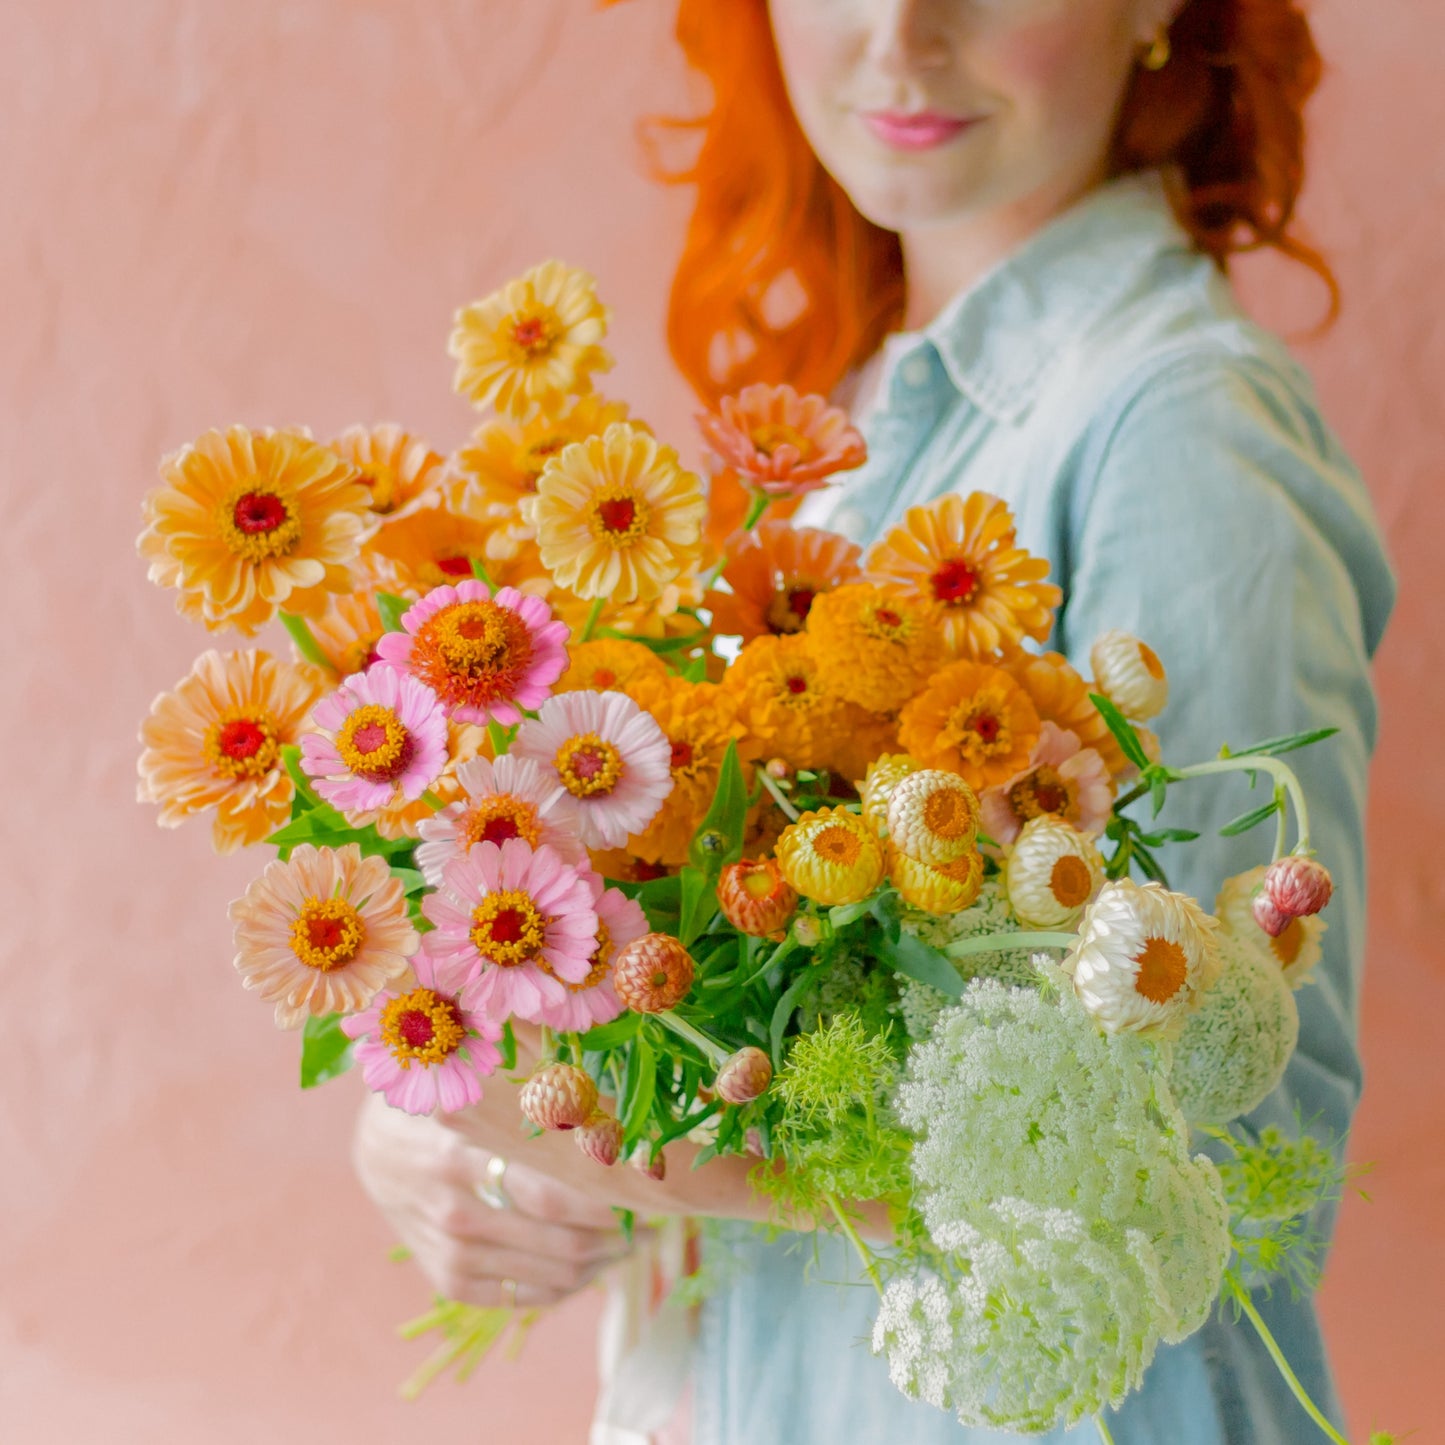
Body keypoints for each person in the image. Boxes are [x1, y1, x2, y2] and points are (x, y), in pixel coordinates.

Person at [352, 1, 1396, 1440]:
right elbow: (737, 1010)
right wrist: (464, 1131)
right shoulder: (858, 436)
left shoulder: (1178, 435)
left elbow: (1216, 1153)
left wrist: (605, 1144)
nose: (899, 35)